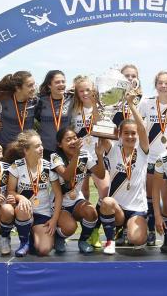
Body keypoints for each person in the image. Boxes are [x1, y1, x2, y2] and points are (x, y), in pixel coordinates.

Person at [98, 91, 150, 254]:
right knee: (106, 202)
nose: (130, 136)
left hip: (137, 208)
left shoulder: (142, 151)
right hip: (117, 207)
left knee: (137, 240)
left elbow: (142, 128)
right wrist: (96, 107)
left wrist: (131, 104)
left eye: (133, 133)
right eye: (126, 133)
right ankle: (110, 240)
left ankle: (129, 229)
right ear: (119, 135)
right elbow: (101, 132)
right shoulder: (113, 150)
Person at [138, 71, 167, 247]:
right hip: (151, 158)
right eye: (160, 83)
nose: (163, 86)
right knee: (149, 197)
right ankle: (150, 231)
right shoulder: (146, 103)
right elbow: (138, 124)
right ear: (155, 85)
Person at [5, 130, 63, 257]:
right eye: (37, 146)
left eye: (41, 145)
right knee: (22, 208)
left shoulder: (48, 167)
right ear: (26, 150)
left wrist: (54, 219)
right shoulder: (17, 166)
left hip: (43, 213)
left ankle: (32, 236)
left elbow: (58, 195)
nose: (41, 148)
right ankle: (24, 242)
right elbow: (10, 191)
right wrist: (20, 197)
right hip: (24, 212)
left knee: (44, 250)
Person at [50, 127, 107, 254]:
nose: (73, 142)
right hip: (59, 204)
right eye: (68, 139)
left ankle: (83, 240)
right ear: (60, 144)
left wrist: (99, 156)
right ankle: (59, 237)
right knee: (70, 227)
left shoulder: (85, 155)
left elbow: (101, 175)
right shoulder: (55, 157)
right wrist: (76, 155)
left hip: (76, 200)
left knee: (91, 212)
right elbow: (66, 176)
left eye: (75, 138)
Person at [71, 75, 108, 248]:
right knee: (83, 194)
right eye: (81, 90)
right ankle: (87, 231)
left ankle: (96, 228)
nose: (85, 93)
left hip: (96, 155)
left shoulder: (101, 107)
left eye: (88, 90)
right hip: (79, 157)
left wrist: (94, 105)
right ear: (77, 93)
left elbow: (100, 127)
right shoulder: (72, 110)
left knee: (105, 190)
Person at [0, 70, 37, 150]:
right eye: (30, 85)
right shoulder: (3, 100)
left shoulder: (36, 102)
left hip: (26, 149)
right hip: (6, 148)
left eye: (34, 84)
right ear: (18, 88)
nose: (34, 88)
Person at [35, 70, 74, 158]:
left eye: (63, 81)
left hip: (66, 149)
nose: (61, 84)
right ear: (49, 85)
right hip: (45, 149)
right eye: (57, 82)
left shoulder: (72, 99)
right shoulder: (40, 100)